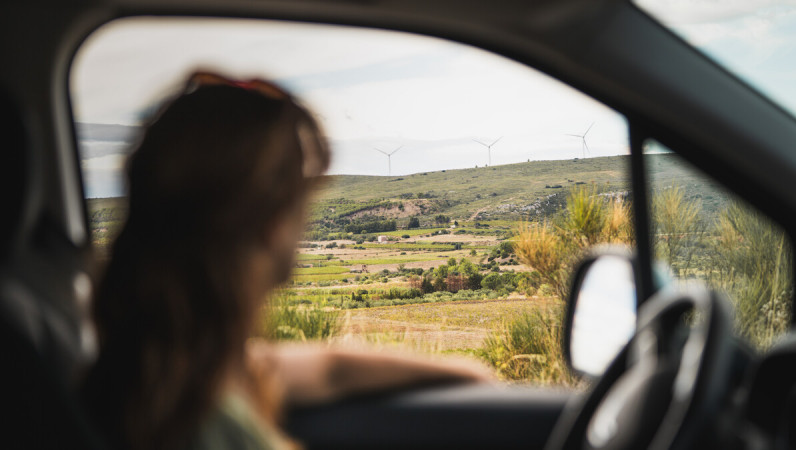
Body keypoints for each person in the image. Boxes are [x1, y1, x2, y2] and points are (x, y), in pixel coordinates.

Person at [81, 71, 490, 450]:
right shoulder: (209, 426)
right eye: (303, 199)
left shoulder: (161, 367)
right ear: (269, 222)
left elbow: (328, 368)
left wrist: (470, 373)